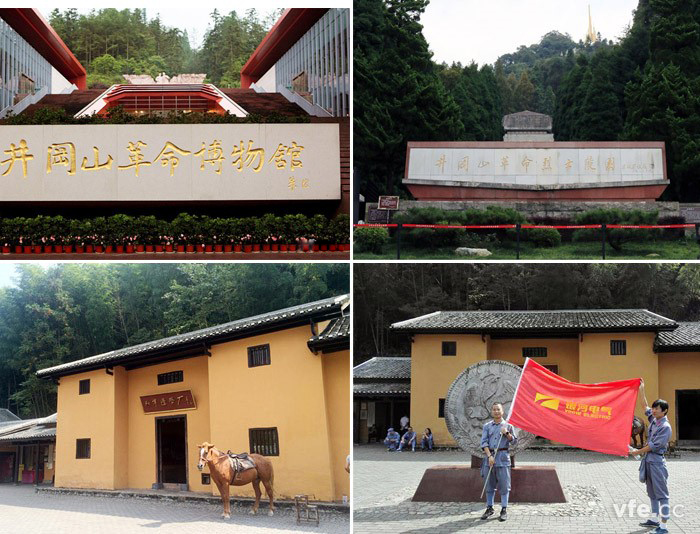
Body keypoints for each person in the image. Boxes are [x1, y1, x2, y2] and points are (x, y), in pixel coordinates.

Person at [629, 381, 672, 534]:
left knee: (662, 494)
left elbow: (653, 446)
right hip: (648, 461)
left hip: (657, 462)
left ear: (664, 411)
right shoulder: (654, 420)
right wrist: (642, 389)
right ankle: (654, 520)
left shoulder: (665, 427)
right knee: (652, 492)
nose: (653, 410)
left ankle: (664, 527)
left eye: (657, 408)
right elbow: (644, 405)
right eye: (653, 408)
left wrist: (636, 452)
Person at [480, 402, 517, 522]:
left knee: (504, 485)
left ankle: (504, 509)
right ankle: (489, 507)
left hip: (503, 458)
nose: (496, 411)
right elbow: (484, 442)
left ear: (502, 411)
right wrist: (489, 456)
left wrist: (506, 433)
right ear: (491, 411)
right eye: (494, 409)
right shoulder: (487, 426)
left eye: (498, 409)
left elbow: (514, 442)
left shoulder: (508, 426)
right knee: (489, 484)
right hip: (489, 458)